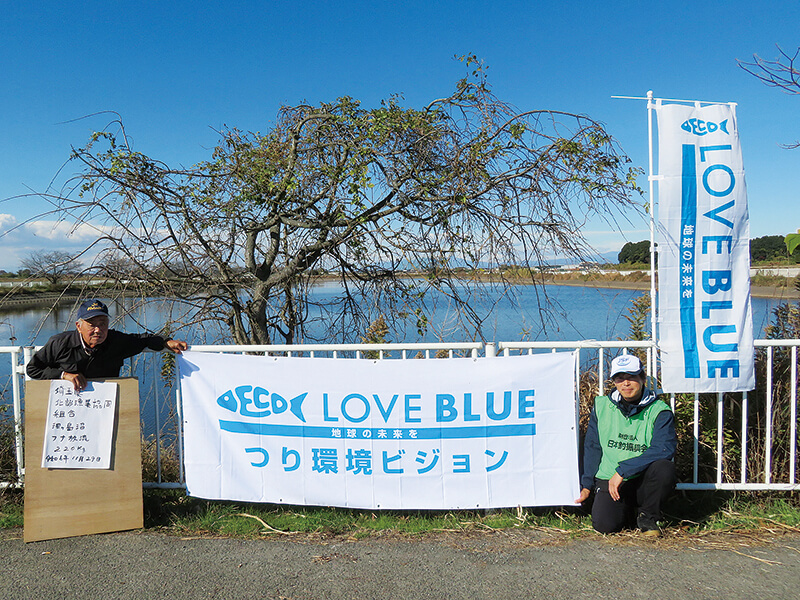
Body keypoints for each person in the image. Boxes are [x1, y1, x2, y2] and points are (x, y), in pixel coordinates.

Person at [575, 354, 677, 536]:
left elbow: (664, 448)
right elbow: (593, 447)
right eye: (620, 378)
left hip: (640, 480)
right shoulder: (601, 406)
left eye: (632, 377)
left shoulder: (659, 410)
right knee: (605, 526)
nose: (626, 383)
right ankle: (629, 512)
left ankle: (648, 517)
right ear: (614, 381)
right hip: (609, 480)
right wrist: (587, 484)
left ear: (643, 378)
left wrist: (623, 470)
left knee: (664, 468)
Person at [26, 299, 188, 391]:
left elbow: (144, 340)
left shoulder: (116, 340)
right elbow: (33, 369)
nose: (98, 330)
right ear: (78, 326)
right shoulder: (60, 343)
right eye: (91, 324)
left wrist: (167, 342)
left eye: (103, 324)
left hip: (105, 406)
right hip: (68, 410)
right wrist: (64, 375)